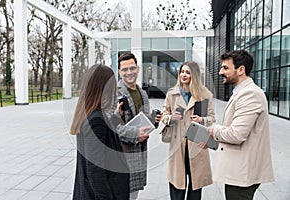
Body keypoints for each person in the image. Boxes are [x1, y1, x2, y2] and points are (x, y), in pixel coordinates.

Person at [208, 50, 274, 200]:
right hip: (238, 171)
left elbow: (236, 134)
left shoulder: (249, 94)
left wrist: (213, 130)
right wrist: (212, 139)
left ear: (241, 70)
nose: (220, 72)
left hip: (242, 175)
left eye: (225, 68)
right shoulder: (242, 92)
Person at [70, 64, 129, 200]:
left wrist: (114, 119)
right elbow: (95, 172)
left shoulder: (90, 113)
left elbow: (102, 140)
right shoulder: (95, 120)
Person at [161, 61, 215, 200]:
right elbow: (164, 114)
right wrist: (170, 118)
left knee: (195, 185)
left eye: (188, 72)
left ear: (194, 75)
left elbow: (212, 119)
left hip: (196, 142)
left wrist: (201, 120)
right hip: (177, 143)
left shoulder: (205, 95)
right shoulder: (172, 94)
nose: (184, 75)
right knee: (177, 184)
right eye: (182, 72)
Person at [116, 53, 161, 200]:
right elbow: (112, 126)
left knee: (133, 193)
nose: (129, 72)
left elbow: (142, 120)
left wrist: (153, 121)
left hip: (139, 152)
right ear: (119, 71)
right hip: (121, 153)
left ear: (138, 69)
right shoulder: (114, 93)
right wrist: (135, 134)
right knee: (122, 193)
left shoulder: (142, 93)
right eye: (125, 69)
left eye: (132, 68)